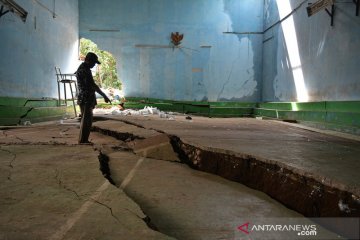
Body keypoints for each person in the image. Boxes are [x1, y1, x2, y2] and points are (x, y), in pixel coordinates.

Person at [76, 52, 111, 144]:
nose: (94, 64)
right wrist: (104, 95)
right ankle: (83, 140)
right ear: (88, 60)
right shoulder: (85, 70)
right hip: (86, 97)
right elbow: (93, 85)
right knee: (87, 121)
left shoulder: (82, 68)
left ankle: (83, 139)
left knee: (85, 120)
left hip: (83, 97)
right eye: (93, 62)